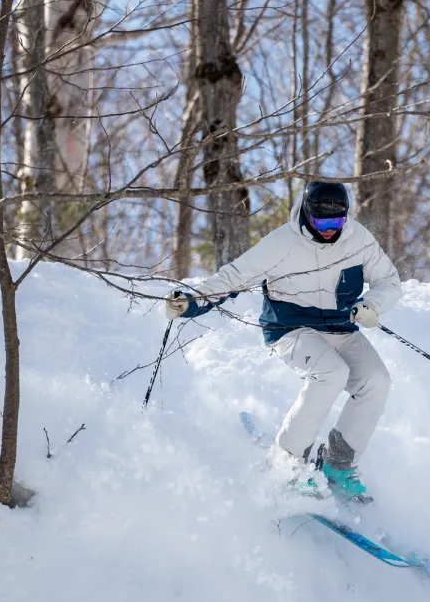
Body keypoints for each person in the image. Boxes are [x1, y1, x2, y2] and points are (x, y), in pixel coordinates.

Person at [165, 180, 401, 502]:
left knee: (376, 381)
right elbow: (234, 276)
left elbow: (389, 281)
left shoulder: (358, 239)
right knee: (330, 373)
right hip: (290, 327)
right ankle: (288, 462)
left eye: (337, 222)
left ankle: (338, 464)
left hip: (340, 328)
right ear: (306, 212)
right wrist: (191, 302)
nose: (329, 230)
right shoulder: (282, 242)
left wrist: (372, 305)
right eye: (321, 222)